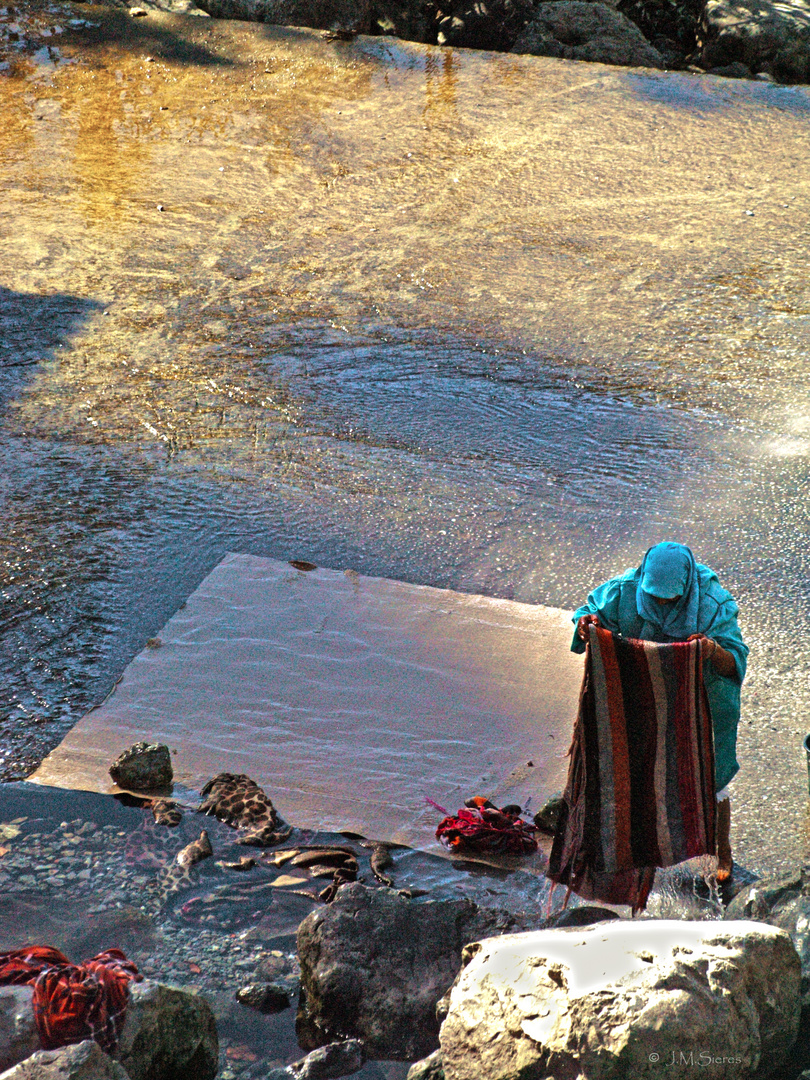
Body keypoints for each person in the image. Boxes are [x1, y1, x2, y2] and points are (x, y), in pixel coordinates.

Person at [571, 541, 748, 881]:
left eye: (670, 598)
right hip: (646, 693)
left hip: (704, 700)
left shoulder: (714, 605)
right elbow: (586, 614)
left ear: (685, 588)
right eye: (654, 597)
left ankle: (721, 853)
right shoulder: (623, 591)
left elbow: (735, 660)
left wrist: (710, 650)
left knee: (711, 778)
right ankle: (643, 846)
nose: (662, 604)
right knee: (640, 769)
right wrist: (585, 625)